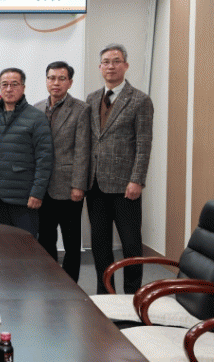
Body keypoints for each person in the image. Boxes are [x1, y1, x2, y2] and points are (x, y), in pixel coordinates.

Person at [86, 44, 154, 294]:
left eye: (116, 61)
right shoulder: (92, 98)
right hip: (95, 185)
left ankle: (133, 294)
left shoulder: (140, 100)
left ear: (126, 65)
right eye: (106, 62)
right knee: (100, 244)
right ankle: (105, 294)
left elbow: (144, 144)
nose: (111, 66)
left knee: (131, 244)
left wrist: (137, 180)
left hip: (126, 186)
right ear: (100, 67)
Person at [34, 61, 90, 282]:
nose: (55, 83)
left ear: (70, 82)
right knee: (45, 239)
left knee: (71, 242)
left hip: (69, 187)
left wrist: (79, 185)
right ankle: (49, 283)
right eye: (51, 78)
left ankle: (71, 284)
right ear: (46, 80)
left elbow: (83, 150)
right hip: (42, 187)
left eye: (61, 78)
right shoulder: (37, 108)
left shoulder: (81, 109)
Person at [0, 67, 53, 237]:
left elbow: (45, 158)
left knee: (26, 246)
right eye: (4, 84)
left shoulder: (36, 117)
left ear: (23, 87)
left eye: (14, 84)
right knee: (2, 244)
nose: (9, 89)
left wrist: (37, 193)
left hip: (25, 198)